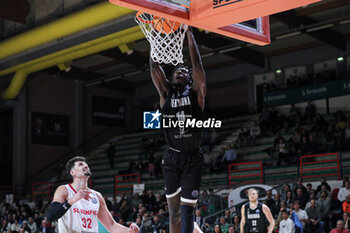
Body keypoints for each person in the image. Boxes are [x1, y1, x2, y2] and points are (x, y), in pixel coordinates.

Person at [149, 26, 206, 233]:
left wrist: (189, 33)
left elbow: (197, 63)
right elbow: (154, 67)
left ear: (190, 79)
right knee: (174, 214)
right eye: (175, 72)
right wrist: (154, 39)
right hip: (172, 158)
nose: (178, 73)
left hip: (192, 158)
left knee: (187, 212)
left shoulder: (197, 94)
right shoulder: (166, 93)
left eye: (183, 71)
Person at [46, 156, 139, 233]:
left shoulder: (97, 196)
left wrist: (129, 231)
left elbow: (111, 225)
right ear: (72, 172)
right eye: (81, 164)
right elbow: (50, 216)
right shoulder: (64, 190)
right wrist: (72, 200)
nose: (86, 166)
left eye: (86, 164)